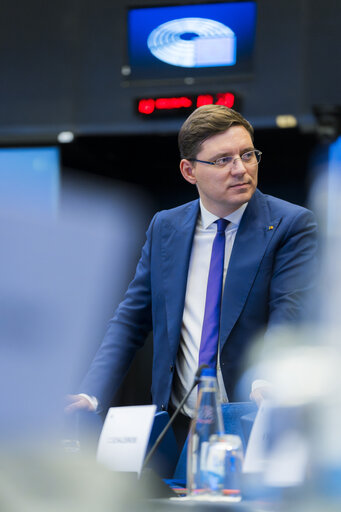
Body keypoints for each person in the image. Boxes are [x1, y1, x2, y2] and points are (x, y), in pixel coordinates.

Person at [66, 105, 317, 447]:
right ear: (189, 171)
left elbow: (288, 311)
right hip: (175, 424)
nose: (240, 169)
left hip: (251, 419)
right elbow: (131, 319)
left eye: (247, 155)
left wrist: (265, 379)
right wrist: (90, 393)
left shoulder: (290, 224)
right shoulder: (165, 227)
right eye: (223, 160)